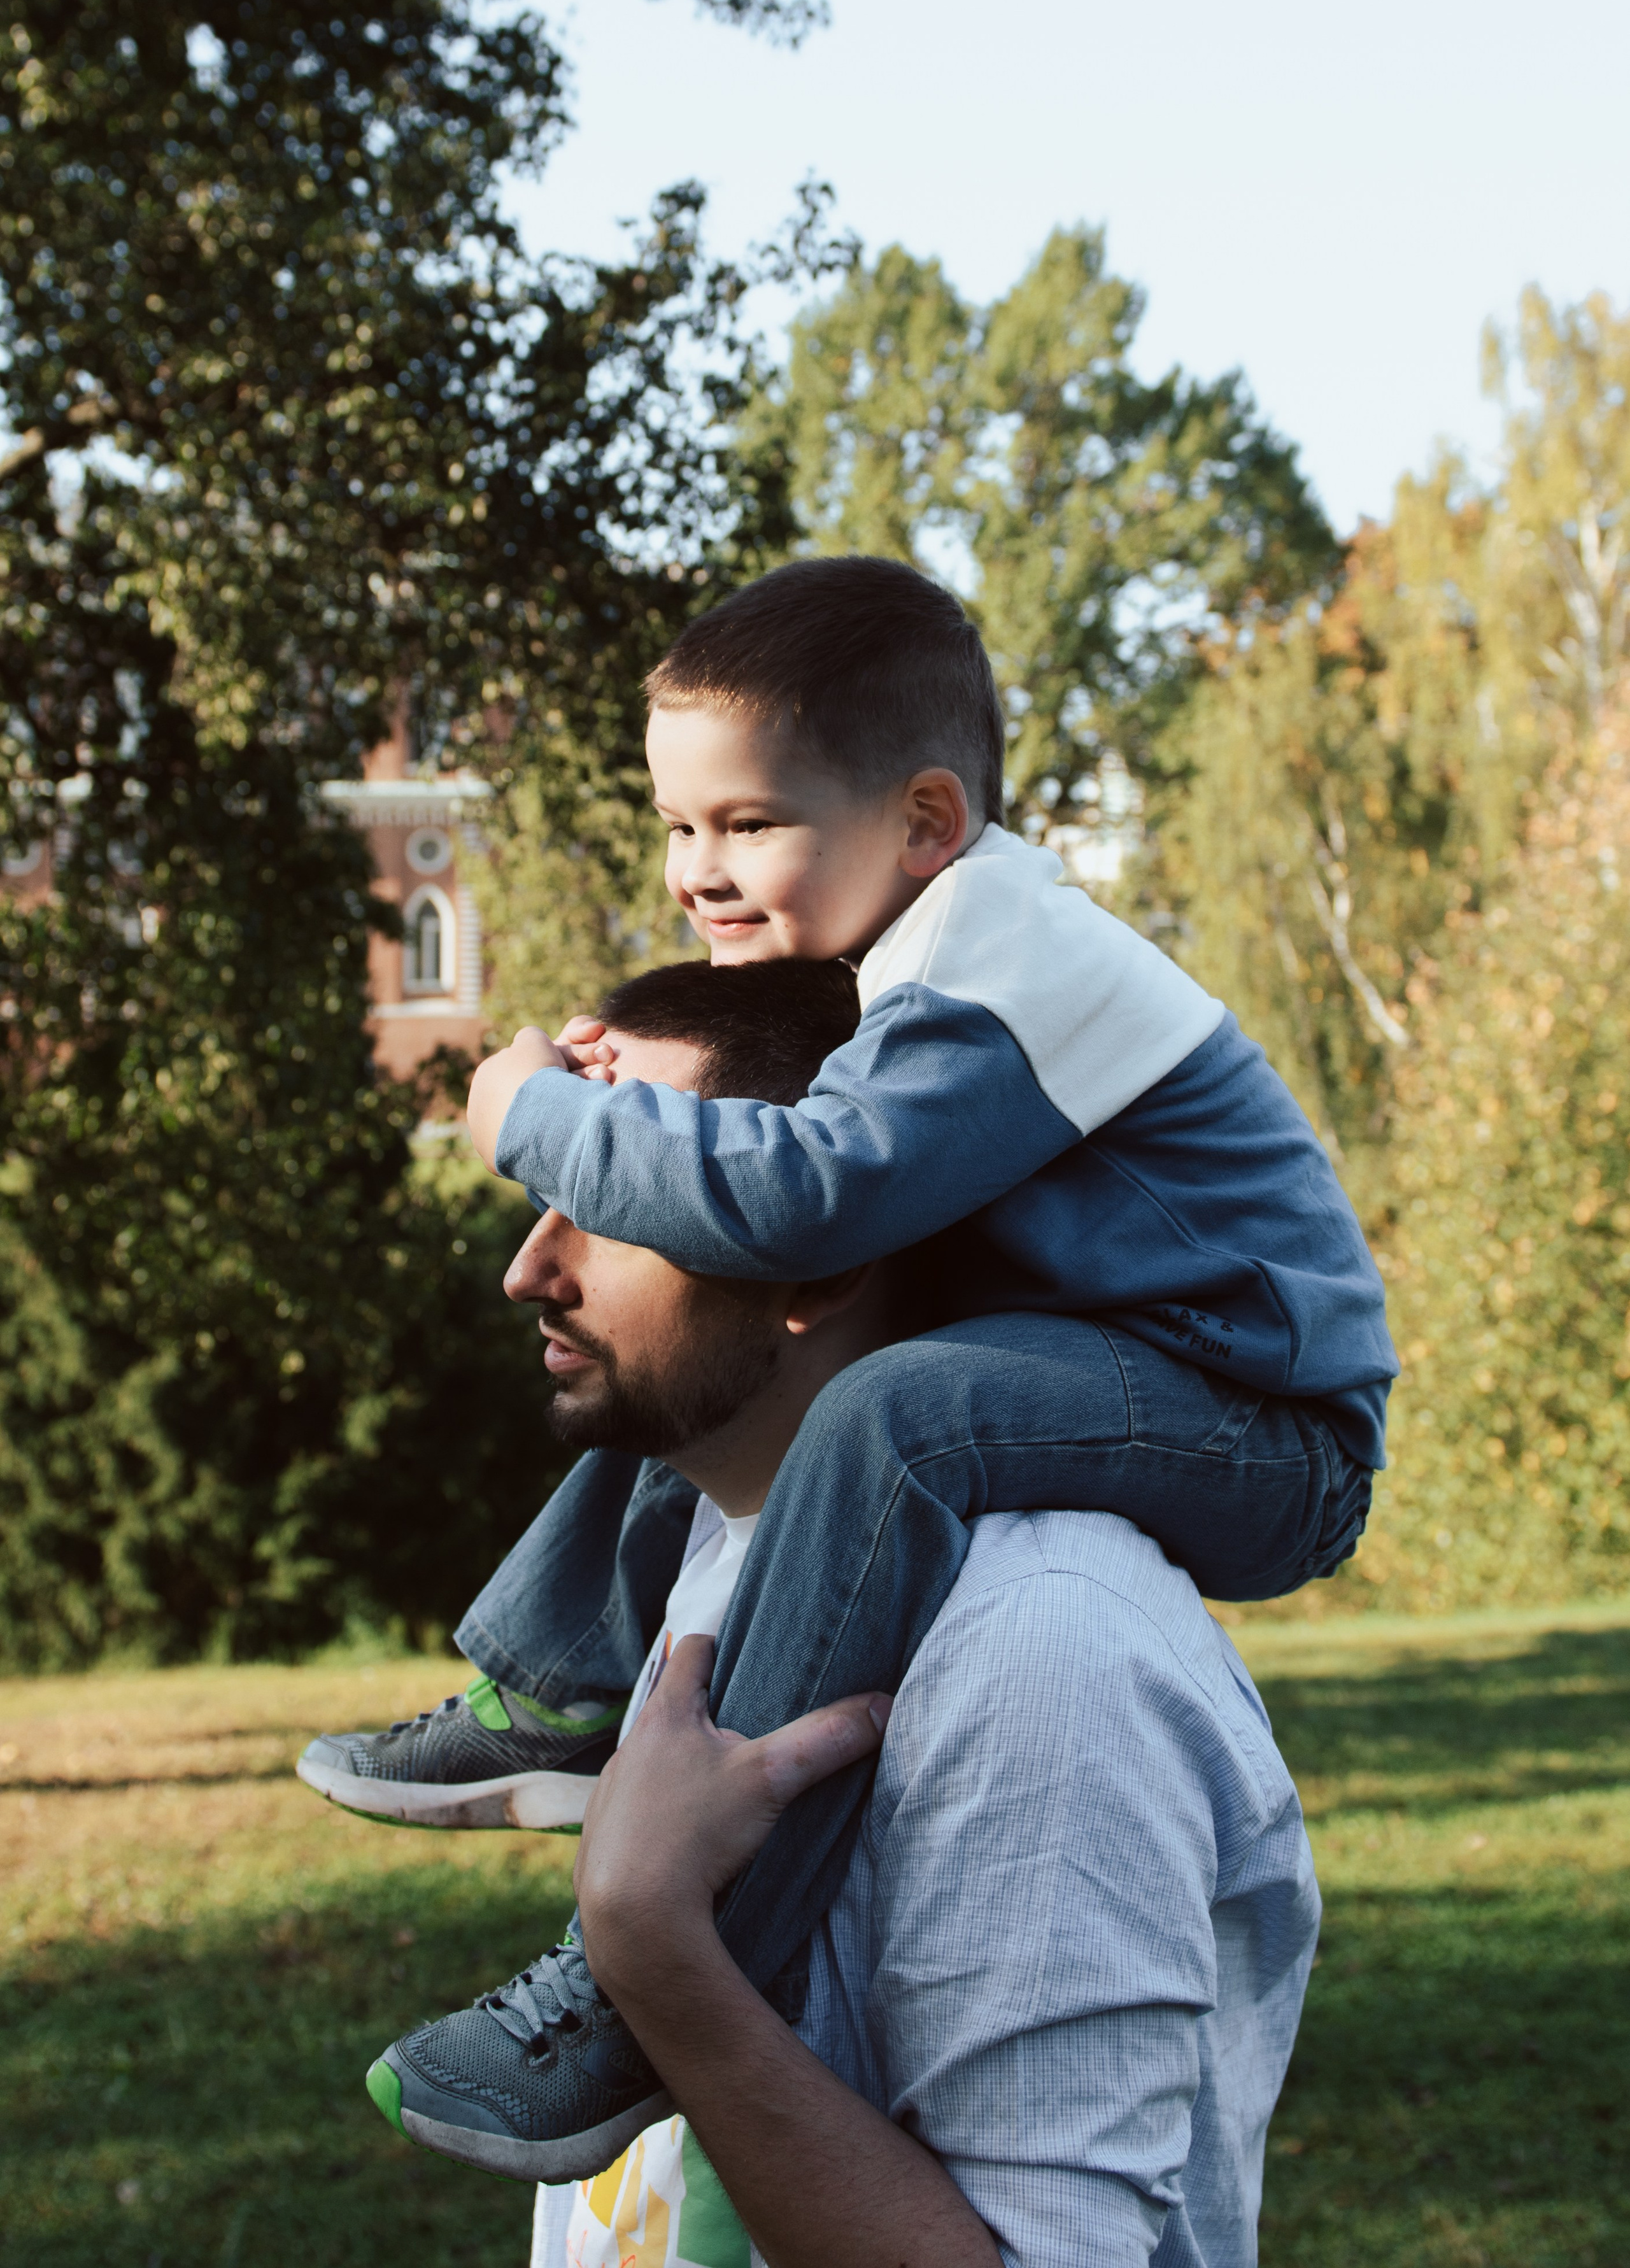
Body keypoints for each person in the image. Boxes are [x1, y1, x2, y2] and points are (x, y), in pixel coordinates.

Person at [311, 554, 1390, 2172]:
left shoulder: (1003, 966)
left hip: (1261, 1418)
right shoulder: (919, 964)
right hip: (1121, 1361)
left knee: (886, 1408)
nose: (696, 869)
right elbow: (776, 1171)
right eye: (678, 826)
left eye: (748, 823)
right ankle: (553, 1691)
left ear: (927, 821)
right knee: (684, 1347)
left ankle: (660, 1973)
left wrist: (535, 1111)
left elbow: (805, 1194)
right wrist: (639, 1119)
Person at [346, 960, 1321, 2266]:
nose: (531, 1266)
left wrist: (652, 1951)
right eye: (541, 1199)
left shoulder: (1038, 1641)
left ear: (812, 1253)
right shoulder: (698, 1545)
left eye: (607, 1200)